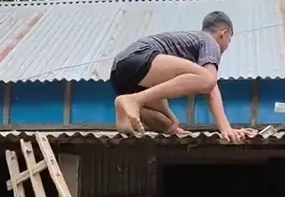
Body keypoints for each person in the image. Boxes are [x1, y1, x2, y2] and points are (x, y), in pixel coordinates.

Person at [110, 11, 257, 144]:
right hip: (138, 58)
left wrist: (174, 129)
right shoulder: (210, 42)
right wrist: (226, 128)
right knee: (207, 79)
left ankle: (126, 113)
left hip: (121, 72)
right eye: (229, 40)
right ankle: (133, 100)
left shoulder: (192, 45)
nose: (227, 46)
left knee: (170, 124)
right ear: (223, 34)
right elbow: (211, 85)